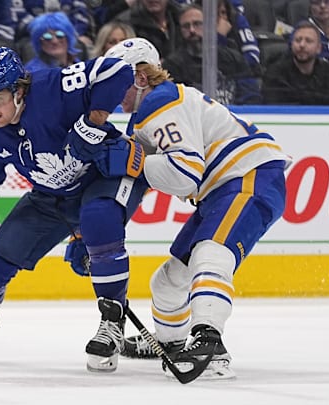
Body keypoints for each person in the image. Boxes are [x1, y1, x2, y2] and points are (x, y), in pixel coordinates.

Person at [0, 45, 148, 374]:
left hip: (105, 175)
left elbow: (115, 71)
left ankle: (111, 324)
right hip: (51, 196)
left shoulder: (54, 88)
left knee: (98, 219)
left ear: (20, 90)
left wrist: (93, 124)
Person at [103, 38, 291, 380]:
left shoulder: (161, 102)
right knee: (169, 281)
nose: (109, 89)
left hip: (248, 175)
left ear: (141, 78)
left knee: (210, 253)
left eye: (116, 78)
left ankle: (209, 340)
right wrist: (98, 236)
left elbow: (185, 173)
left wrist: (136, 165)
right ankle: (170, 343)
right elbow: (137, 184)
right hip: (219, 190)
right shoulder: (144, 118)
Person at [162, 3, 261, 105]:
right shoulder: (172, 66)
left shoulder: (234, 59)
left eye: (197, 24)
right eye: (186, 26)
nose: (192, 30)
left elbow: (251, 96)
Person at [262, 20, 329, 104]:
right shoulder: (276, 71)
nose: (302, 45)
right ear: (291, 45)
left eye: (308, 41)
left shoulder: (328, 71)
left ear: (318, 48)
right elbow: (275, 101)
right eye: (298, 40)